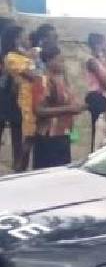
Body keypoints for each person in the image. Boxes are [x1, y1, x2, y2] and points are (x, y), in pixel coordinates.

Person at [32, 46, 85, 169]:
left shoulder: (60, 80)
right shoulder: (42, 80)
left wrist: (73, 134)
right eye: (59, 60)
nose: (63, 64)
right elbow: (38, 110)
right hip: (49, 136)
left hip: (63, 134)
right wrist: (69, 109)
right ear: (50, 61)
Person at [2, 25, 37, 172]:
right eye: (23, 34)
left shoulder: (24, 55)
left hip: (25, 101)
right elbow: (31, 75)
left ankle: (20, 169)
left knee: (24, 137)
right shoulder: (10, 56)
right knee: (19, 138)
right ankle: (18, 169)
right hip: (12, 101)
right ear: (16, 38)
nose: (26, 37)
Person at [0, 17, 22, 170]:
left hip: (14, 98)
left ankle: (18, 166)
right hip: (6, 96)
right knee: (16, 134)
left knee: (17, 133)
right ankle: (17, 166)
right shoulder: (8, 57)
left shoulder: (19, 55)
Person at [86, 33, 106, 152]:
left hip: (101, 96)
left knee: (103, 128)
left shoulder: (99, 61)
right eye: (104, 43)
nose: (105, 46)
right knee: (98, 128)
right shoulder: (92, 61)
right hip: (96, 96)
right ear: (97, 45)